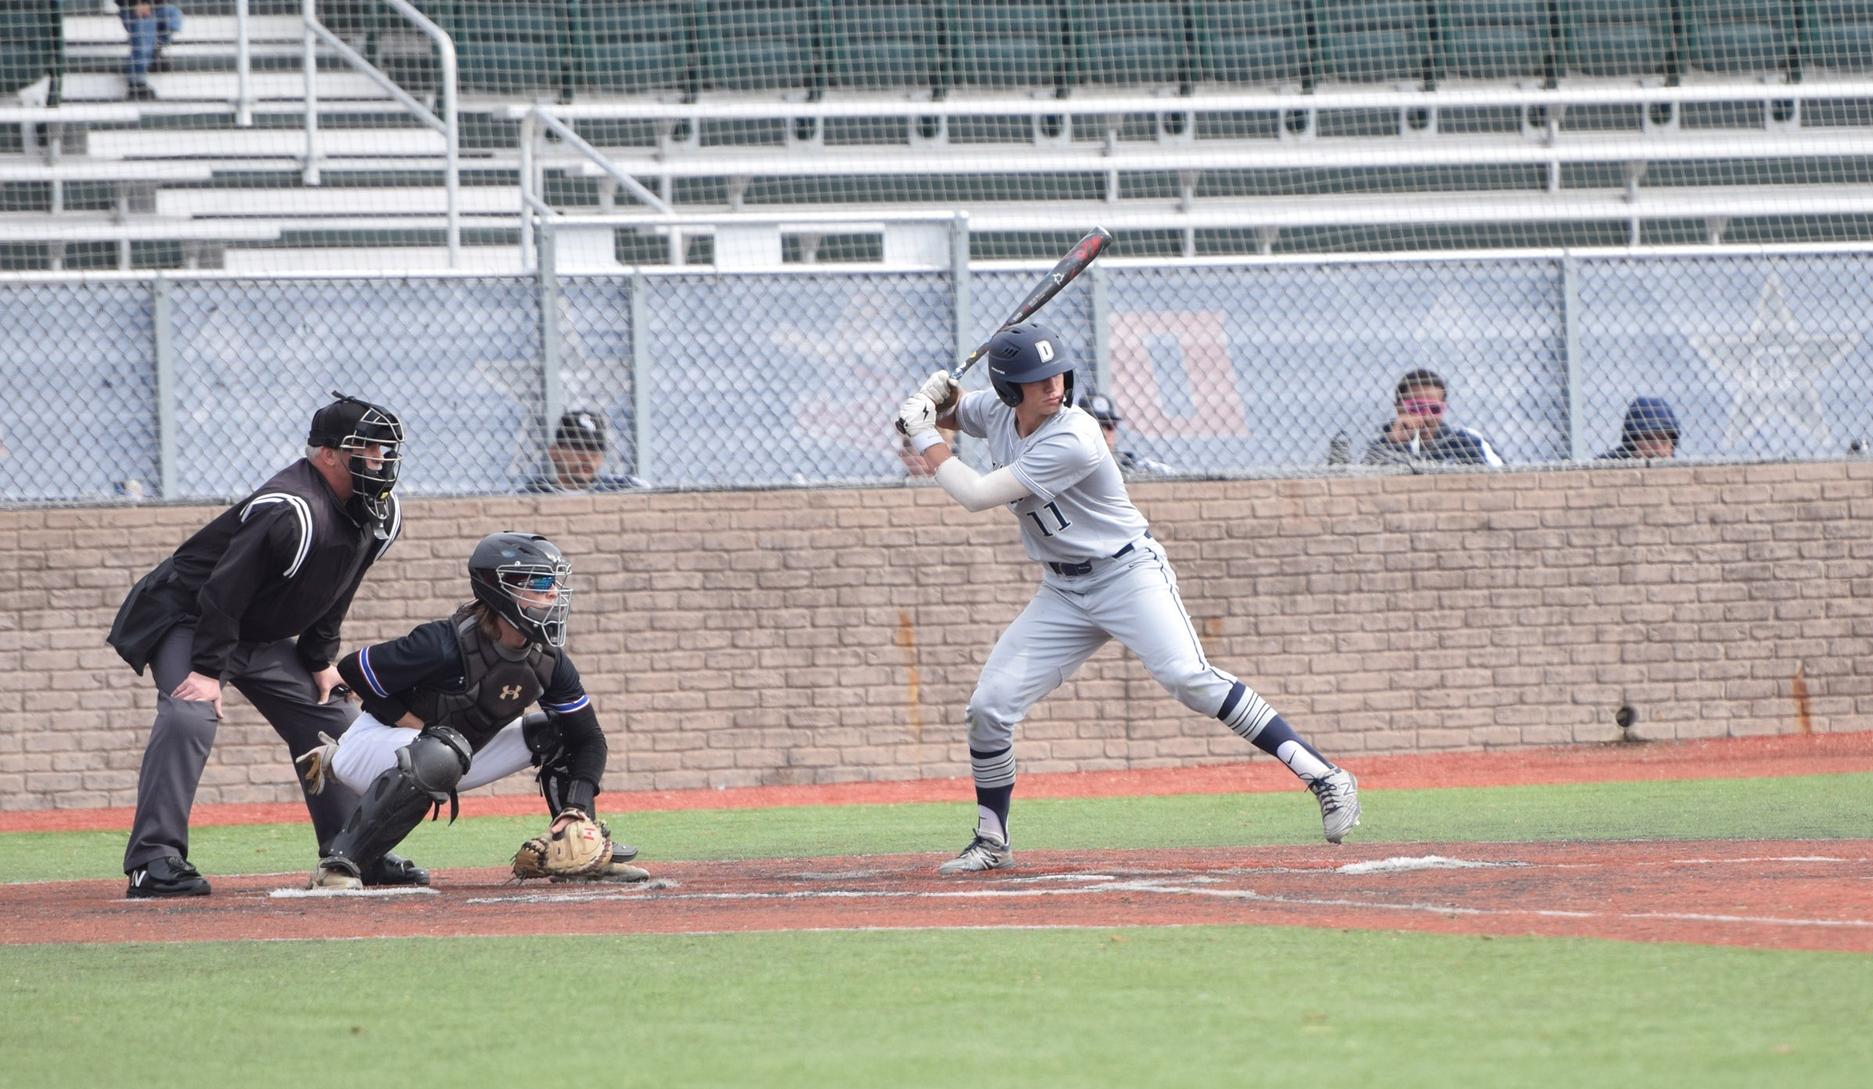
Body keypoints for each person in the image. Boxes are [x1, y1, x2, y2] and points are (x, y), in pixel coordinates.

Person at [894, 322, 1361, 875]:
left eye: (1056, 374)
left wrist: (923, 433)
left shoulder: (1075, 436)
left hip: (1127, 574)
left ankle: (1325, 776)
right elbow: (954, 413)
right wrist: (929, 401)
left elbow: (973, 494)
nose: (1053, 386)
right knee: (988, 708)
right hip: (1063, 590)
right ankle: (992, 840)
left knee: (1190, 678)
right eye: (1036, 379)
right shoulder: (998, 411)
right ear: (1009, 389)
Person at [107, 392, 424, 898]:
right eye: (367, 449)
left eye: (385, 451)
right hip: (192, 619)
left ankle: (352, 851)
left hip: (257, 632)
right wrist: (208, 672)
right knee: (189, 714)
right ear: (328, 454)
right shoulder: (291, 509)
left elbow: (338, 589)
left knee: (334, 721)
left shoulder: (379, 514)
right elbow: (221, 591)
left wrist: (319, 660)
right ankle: (153, 860)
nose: (380, 461)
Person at [298, 532, 647, 889]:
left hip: (455, 754)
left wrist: (578, 810)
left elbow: (589, 738)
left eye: (554, 582)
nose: (553, 592)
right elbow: (354, 667)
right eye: (540, 581)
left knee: (556, 731)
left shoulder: (549, 660)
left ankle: (579, 849)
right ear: (500, 588)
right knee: (441, 750)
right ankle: (339, 865)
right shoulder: (444, 643)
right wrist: (416, 724)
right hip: (374, 751)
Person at [1362, 368, 1504, 468]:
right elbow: (1363, 480)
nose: (1427, 416)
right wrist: (1393, 442)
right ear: (1398, 408)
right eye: (1416, 407)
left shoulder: (1463, 442)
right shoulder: (1382, 445)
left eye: (1434, 409)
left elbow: (1488, 479)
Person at [523, 409, 645, 493]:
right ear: (554, 452)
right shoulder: (533, 494)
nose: (587, 457)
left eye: (594, 450)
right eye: (578, 448)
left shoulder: (622, 487)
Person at [1079, 390, 1177, 477]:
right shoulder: (1071, 465)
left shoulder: (1127, 464)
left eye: (1110, 426)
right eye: (1096, 427)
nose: (1104, 433)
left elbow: (1169, 472)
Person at [120, 2, 182, 102]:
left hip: (155, 6)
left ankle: (154, 52)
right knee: (145, 25)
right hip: (131, 9)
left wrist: (150, 4)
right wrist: (135, 5)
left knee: (173, 13)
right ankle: (136, 83)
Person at [1599, 397, 1680, 460]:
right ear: (1632, 443)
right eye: (1649, 439)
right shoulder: (1608, 465)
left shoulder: (1680, 469)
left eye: (1663, 439)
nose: (1657, 449)